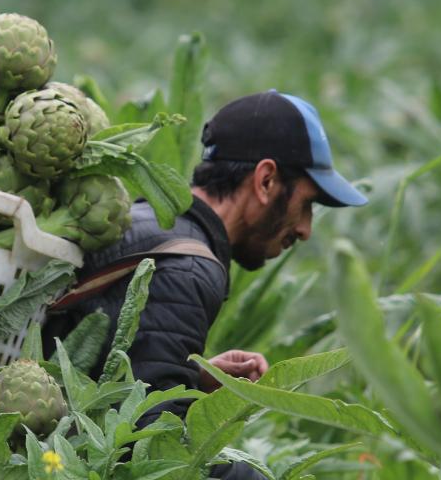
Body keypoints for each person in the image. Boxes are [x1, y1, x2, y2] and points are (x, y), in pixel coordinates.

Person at [41, 90, 368, 479]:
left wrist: (188, 379)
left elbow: (106, 377)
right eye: (307, 204)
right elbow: (150, 450)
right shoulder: (189, 269)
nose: (305, 229)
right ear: (265, 181)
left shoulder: (149, 220)